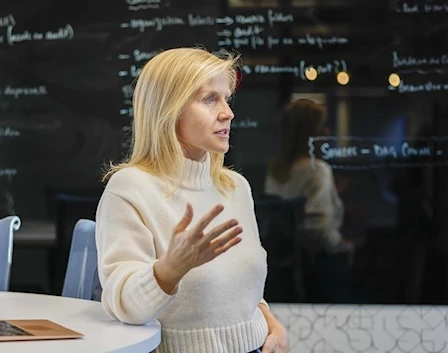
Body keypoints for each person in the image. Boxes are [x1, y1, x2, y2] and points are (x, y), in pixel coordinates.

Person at [95, 47, 289, 353]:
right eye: (210, 99)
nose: (228, 112)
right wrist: (171, 268)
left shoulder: (235, 187)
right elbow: (124, 307)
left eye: (226, 98)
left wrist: (270, 322)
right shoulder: (130, 188)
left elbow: (241, 291)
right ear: (168, 109)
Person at [264, 98, 353, 302]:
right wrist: (344, 245)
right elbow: (319, 227)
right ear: (309, 133)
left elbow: (287, 212)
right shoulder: (318, 170)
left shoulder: (276, 169)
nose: (326, 132)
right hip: (319, 271)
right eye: (321, 127)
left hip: (286, 271)